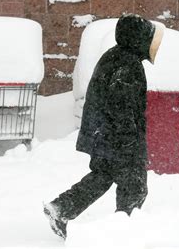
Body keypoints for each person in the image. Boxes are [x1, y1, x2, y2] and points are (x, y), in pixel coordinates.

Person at [43, 14, 164, 239]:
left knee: (103, 176)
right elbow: (121, 106)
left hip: (104, 135)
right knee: (134, 186)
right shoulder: (128, 64)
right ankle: (125, 232)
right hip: (118, 139)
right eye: (149, 39)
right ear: (138, 40)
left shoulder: (116, 56)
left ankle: (61, 208)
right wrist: (129, 141)